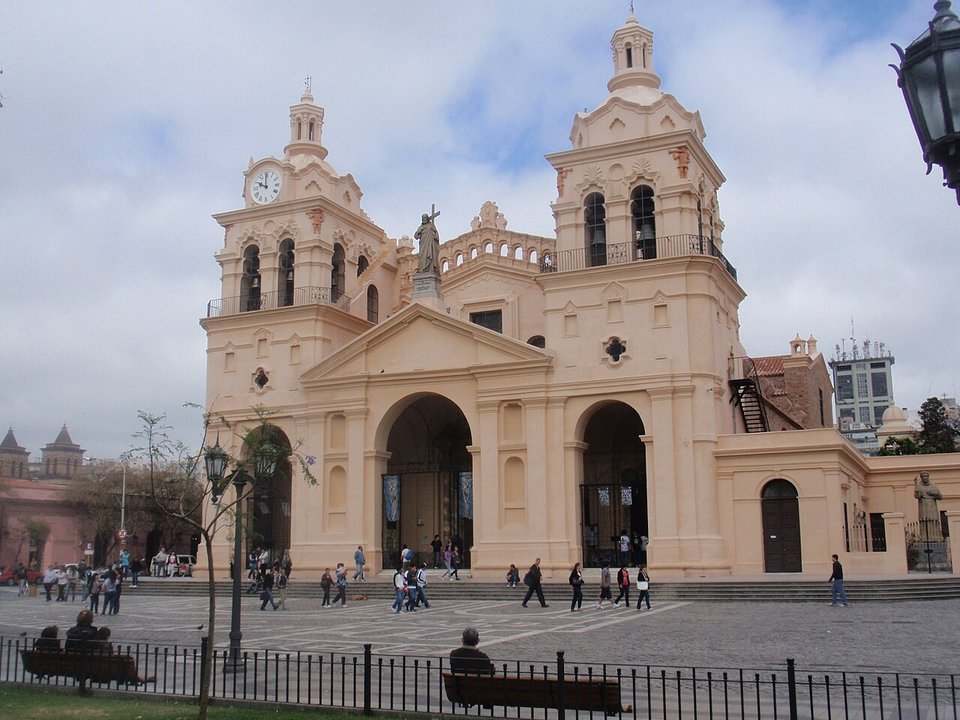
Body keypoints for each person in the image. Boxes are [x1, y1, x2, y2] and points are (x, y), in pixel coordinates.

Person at [414, 211, 441, 275]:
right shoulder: (421, 227)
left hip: (430, 244)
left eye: (425, 218)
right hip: (423, 244)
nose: (424, 219)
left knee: (430, 255)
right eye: (423, 218)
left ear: (427, 218)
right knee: (422, 256)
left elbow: (436, 234)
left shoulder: (431, 226)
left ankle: (430, 268)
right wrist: (417, 235)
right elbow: (416, 235)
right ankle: (422, 269)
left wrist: (435, 236)